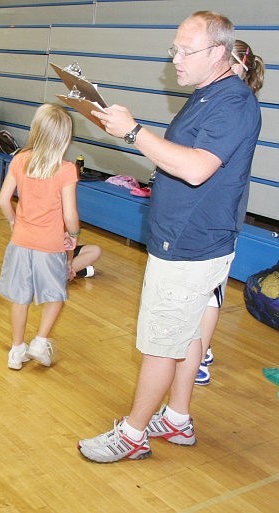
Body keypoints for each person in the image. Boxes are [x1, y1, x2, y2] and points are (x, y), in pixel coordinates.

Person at [78, 11, 261, 463]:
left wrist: (136, 131)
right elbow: (179, 155)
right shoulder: (206, 94)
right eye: (173, 49)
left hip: (189, 243)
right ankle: (177, 419)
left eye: (185, 50)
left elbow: (197, 169)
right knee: (190, 331)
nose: (175, 59)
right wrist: (123, 129)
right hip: (190, 238)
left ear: (219, 52)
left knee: (162, 340)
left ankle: (134, 433)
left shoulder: (233, 102)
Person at [196, 39, 265, 387]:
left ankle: (201, 355)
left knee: (211, 291)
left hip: (221, 215)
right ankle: (197, 348)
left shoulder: (239, 104)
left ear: (235, 64)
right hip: (208, 209)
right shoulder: (221, 100)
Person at [0, 104, 79, 370]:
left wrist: (13, 221)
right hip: (50, 243)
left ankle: (16, 348)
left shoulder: (20, 160)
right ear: (65, 137)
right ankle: (40, 342)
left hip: (20, 240)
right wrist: (74, 236)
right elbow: (70, 215)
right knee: (55, 294)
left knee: (20, 297)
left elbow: (3, 199)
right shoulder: (66, 169)